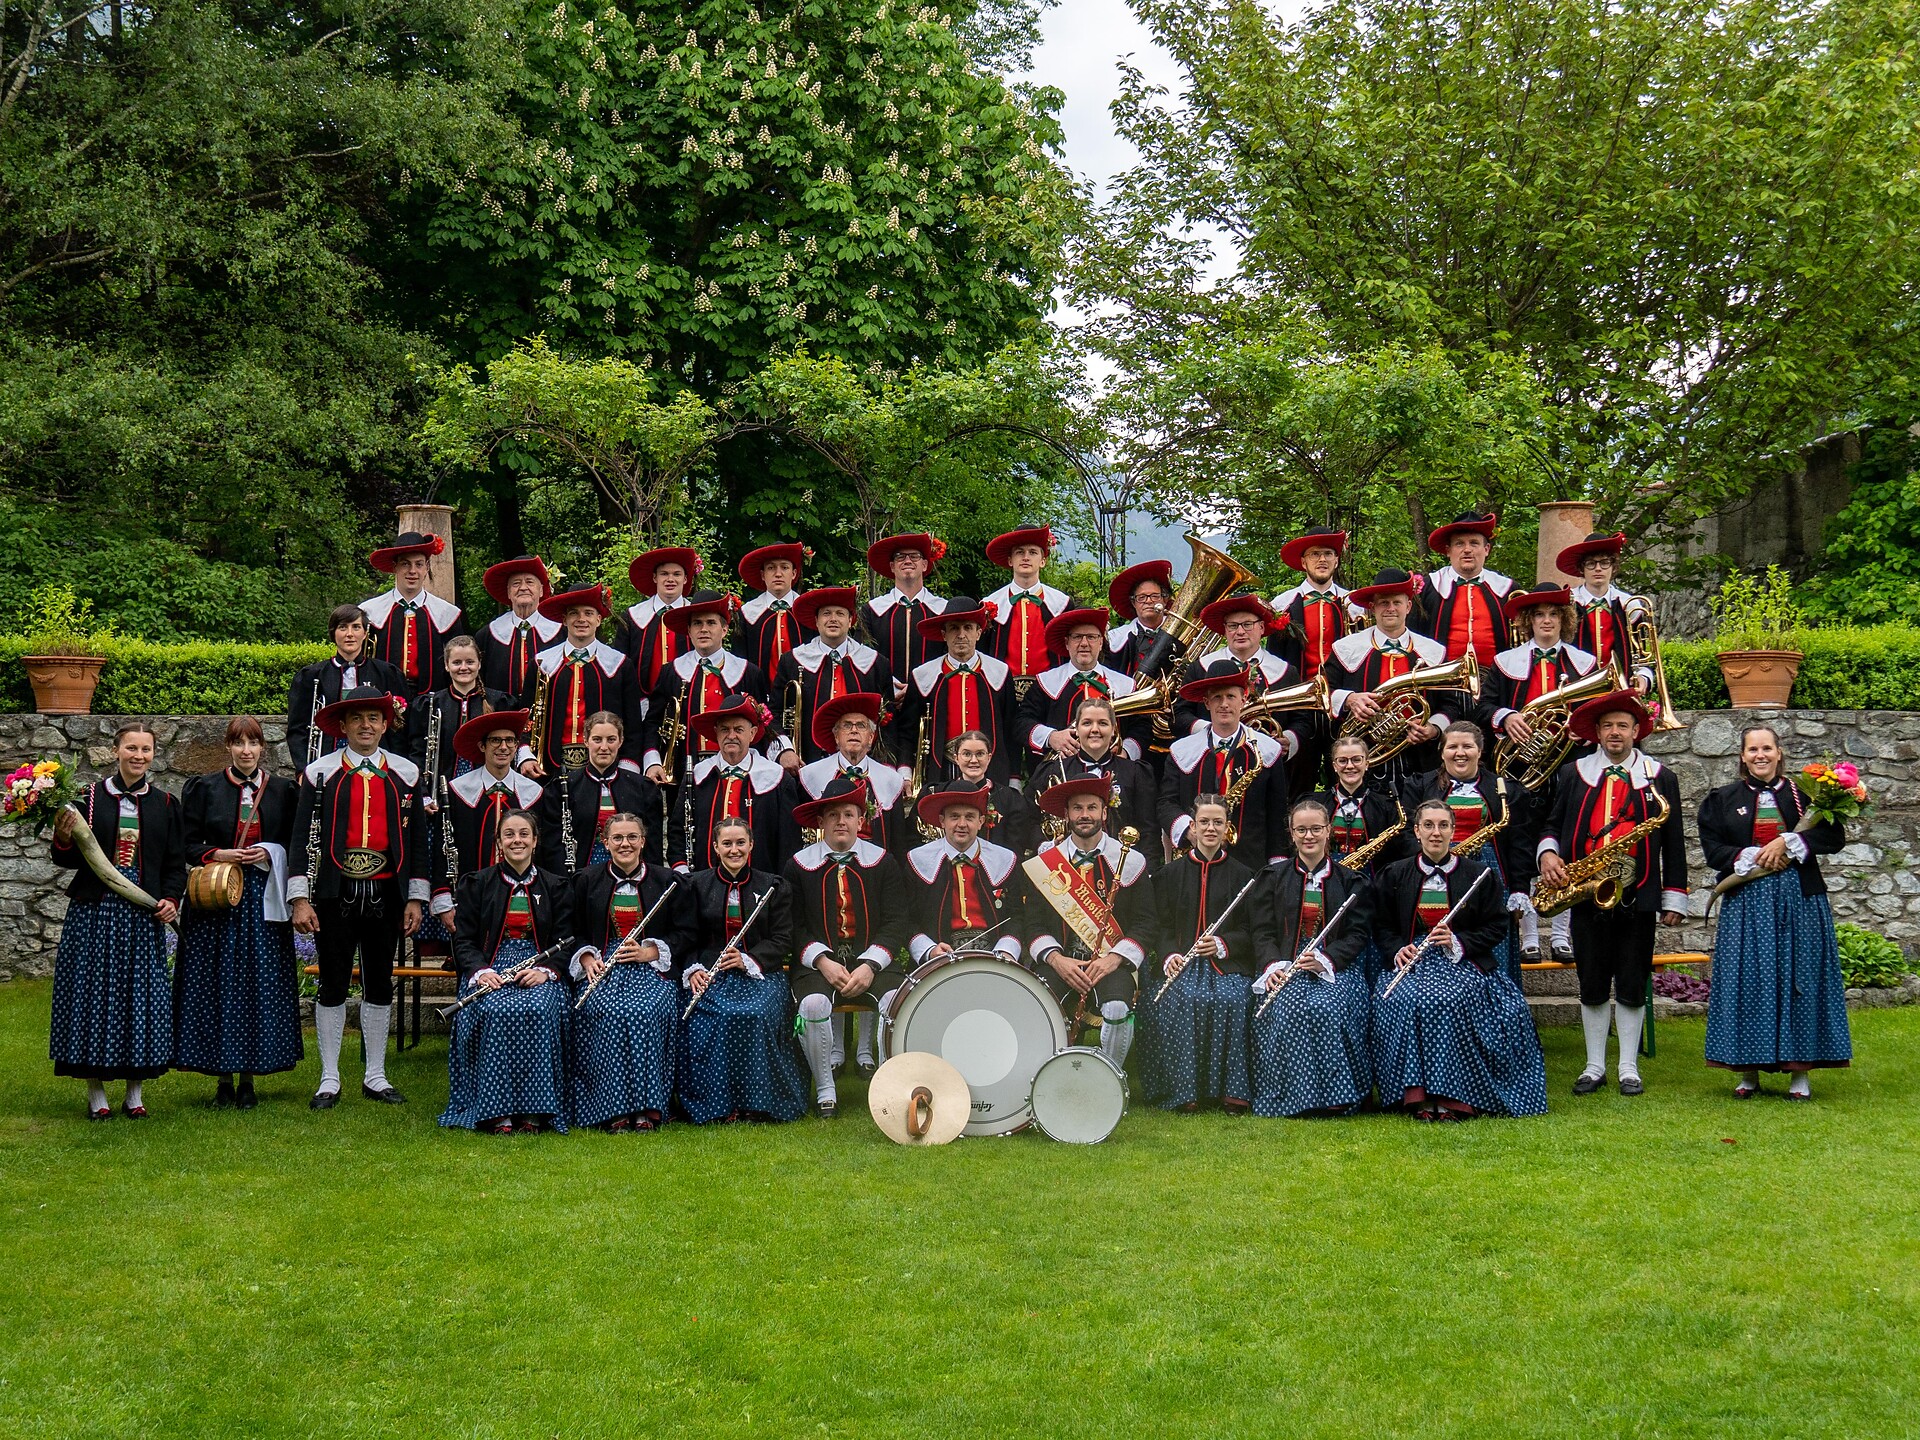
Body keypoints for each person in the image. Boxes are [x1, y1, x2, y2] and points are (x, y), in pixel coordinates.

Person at [1535, 690, 1688, 1097]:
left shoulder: (1661, 777)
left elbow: (1674, 842)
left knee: (1633, 979)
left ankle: (1628, 1067)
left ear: (1637, 731)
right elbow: (1552, 823)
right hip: (1587, 893)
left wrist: (1674, 896)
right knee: (1592, 980)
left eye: (1623, 725)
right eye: (1608, 726)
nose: (1615, 732)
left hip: (1637, 895)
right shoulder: (1574, 773)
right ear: (1597, 733)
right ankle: (1593, 1064)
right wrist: (1549, 853)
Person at [288, 685, 426, 1110]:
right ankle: (329, 1077)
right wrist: (300, 897)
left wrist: (415, 897)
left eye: (374, 719)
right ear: (343, 726)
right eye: (357, 719)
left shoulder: (406, 773)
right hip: (335, 891)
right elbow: (300, 840)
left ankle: (375, 1075)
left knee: (380, 981)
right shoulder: (320, 773)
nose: (366, 726)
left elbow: (419, 840)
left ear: (386, 725)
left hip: (386, 892)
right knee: (331, 980)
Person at [1699, 725, 1852, 1098]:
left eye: (1767, 748)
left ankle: (1800, 1073)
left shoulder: (1808, 796)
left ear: (1779, 753)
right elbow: (1713, 849)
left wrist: (1789, 840)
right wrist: (1749, 856)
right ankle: (1748, 1071)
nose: (1760, 755)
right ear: (1742, 756)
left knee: (1801, 979)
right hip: (1747, 902)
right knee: (1749, 980)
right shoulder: (1722, 798)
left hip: (1800, 898)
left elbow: (1834, 838)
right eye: (1753, 750)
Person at [1369, 799, 1548, 1120]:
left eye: (1443, 825)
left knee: (1452, 999)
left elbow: (1497, 926)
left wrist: (1458, 941)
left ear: (1454, 831)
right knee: (1406, 997)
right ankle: (1419, 1095)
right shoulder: (1394, 874)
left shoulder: (1480, 875)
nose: (1435, 833)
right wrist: (1398, 947)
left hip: (1463, 960)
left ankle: (1455, 1096)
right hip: (1413, 960)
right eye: (1428, 825)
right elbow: (1381, 925)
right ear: (1417, 831)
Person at [49, 722, 187, 1120]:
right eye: (131, 748)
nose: (138, 756)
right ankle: (96, 1093)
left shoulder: (165, 804)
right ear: (115, 751)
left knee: (138, 999)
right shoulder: (86, 799)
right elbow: (65, 858)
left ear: (153, 754)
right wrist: (61, 838)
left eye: (146, 749)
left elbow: (176, 863)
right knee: (93, 996)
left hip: (142, 913)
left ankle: (134, 1094)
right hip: (95, 910)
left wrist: (170, 899)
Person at [173, 716, 302, 1108]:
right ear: (228, 747)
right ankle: (222, 1080)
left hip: (263, 899)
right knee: (216, 984)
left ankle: (249, 1079)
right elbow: (186, 844)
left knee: (257, 983)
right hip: (216, 900)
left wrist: (269, 851)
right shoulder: (203, 789)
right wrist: (218, 854)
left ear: (264, 748)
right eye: (239, 743)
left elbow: (296, 844)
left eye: (253, 743)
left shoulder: (283, 791)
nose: (246, 750)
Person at [1482, 583, 1600, 961]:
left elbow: (1595, 711)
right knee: (1522, 844)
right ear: (1527, 621)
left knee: (1566, 844)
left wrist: (1581, 730)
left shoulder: (1583, 663)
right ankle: (1530, 933)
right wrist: (1507, 716)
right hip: (1519, 770)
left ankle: (1561, 934)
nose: (1546, 621)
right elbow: (1483, 708)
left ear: (1564, 620)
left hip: (1567, 767)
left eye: (1553, 614)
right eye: (1539, 615)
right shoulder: (1505, 661)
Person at [440, 809, 573, 1134]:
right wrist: (480, 972)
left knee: (539, 1007)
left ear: (535, 841)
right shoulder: (478, 883)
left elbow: (568, 940)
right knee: (494, 1009)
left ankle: (534, 1110)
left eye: (524, 834)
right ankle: (496, 1110)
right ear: (499, 842)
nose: (517, 840)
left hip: (538, 967)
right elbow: (465, 941)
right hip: (491, 968)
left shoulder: (554, 886)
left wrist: (547, 972)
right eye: (510, 834)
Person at [786, 779, 910, 1117]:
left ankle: (888, 1086)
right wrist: (822, 961)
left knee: (895, 1002)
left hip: (871, 961)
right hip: (818, 964)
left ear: (860, 821)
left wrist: (871, 964)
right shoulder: (799, 865)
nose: (841, 821)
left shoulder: (883, 862)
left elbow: (897, 921)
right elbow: (792, 925)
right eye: (833, 815)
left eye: (849, 814)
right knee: (812, 1005)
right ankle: (826, 1089)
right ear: (821, 822)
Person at [678, 816, 808, 1124]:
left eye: (740, 843)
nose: (734, 850)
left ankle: (760, 1101)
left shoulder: (774, 886)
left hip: (762, 972)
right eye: (727, 844)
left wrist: (749, 959)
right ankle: (718, 1104)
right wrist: (694, 968)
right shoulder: (696, 885)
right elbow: (686, 935)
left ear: (751, 845)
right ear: (715, 848)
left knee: (755, 1013)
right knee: (718, 1015)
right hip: (713, 972)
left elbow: (782, 939)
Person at [1250, 798, 1374, 1118]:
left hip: (1334, 969)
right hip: (1286, 965)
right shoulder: (1272, 877)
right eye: (1301, 830)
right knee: (1289, 1006)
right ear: (1291, 834)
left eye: (1316, 829)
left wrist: (1327, 960)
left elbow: (1357, 935)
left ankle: (1336, 1095)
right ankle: (1294, 1095)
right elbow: (1262, 931)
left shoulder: (1351, 881)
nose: (1309, 836)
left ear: (1328, 830)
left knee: (1327, 1006)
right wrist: (1273, 965)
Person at [1141, 794, 1265, 1112]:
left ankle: (1232, 1091)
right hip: (1181, 964)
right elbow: (1161, 928)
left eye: (1218, 822)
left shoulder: (1246, 877)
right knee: (1179, 998)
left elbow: (1256, 930)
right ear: (1193, 828)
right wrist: (1169, 955)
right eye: (1204, 822)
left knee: (1234, 998)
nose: (1211, 828)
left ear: (1228, 829)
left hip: (1228, 965)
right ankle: (1184, 1092)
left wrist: (1225, 944)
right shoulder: (1168, 875)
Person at [569, 812, 687, 1131]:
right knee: (605, 1010)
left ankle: (647, 1107)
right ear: (605, 843)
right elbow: (571, 931)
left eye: (632, 837)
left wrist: (651, 951)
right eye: (618, 838)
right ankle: (611, 1106)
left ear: (643, 841)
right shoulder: (586, 880)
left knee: (648, 1010)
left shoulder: (667, 881)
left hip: (651, 968)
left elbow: (685, 932)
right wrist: (585, 958)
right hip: (604, 967)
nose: (625, 844)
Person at [1024, 776, 1152, 1069]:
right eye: (1077, 808)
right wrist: (1056, 960)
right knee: (1036, 1001)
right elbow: (1032, 923)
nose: (1085, 815)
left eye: (1092, 807)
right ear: (1066, 815)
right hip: (1061, 961)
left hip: (1110, 963)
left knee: (1118, 1007)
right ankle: (1044, 1075)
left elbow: (1146, 923)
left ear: (1104, 813)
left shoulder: (1130, 861)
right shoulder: (1048, 862)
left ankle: (1107, 1079)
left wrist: (1115, 959)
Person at [1400, 721, 1525, 981]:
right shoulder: (1421, 784)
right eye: (1452, 746)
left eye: (1468, 746)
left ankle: (1493, 1001)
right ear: (1442, 751)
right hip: (1436, 871)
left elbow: (1518, 841)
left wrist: (1519, 889)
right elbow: (1405, 832)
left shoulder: (1503, 787)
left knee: (1488, 939)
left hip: (1489, 875)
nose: (1460, 753)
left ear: (1480, 751)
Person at [1324, 568, 1452, 784]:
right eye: (1384, 603)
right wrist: (1349, 699)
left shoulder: (1433, 651)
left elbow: (1450, 704)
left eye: (1397, 602)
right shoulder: (1346, 648)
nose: (1391, 608)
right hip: (1362, 758)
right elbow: (1324, 691)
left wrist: (1433, 729)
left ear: (1408, 606)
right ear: (1372, 608)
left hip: (1419, 757)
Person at [1160, 660, 1289, 872]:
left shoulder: (1268, 750)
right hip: (1193, 858)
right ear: (1206, 702)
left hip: (1250, 863)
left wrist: (1277, 867)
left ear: (1244, 699)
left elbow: (1277, 815)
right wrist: (1189, 831)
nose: (1224, 704)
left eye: (1231, 696)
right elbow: (1166, 803)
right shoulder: (1181, 751)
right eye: (1217, 697)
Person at [642, 590, 781, 780]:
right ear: (689, 631)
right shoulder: (671, 672)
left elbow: (762, 725)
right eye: (697, 623)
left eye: (711, 623)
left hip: (740, 771)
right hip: (683, 770)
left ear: (724, 630)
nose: (704, 629)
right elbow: (653, 722)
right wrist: (653, 761)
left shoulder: (748, 672)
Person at [1269, 527, 1365, 794]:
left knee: (1348, 772)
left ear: (1336, 560)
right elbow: (1275, 661)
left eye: (1328, 554)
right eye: (1314, 555)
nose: (1321, 560)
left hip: (1343, 701)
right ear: (1303, 562)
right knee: (1298, 775)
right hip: (1301, 702)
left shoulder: (1353, 605)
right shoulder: (1282, 605)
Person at [428, 710, 544, 929]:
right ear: (482, 746)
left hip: (522, 899)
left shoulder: (533, 793)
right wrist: (443, 896)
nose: (503, 747)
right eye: (495, 740)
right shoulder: (457, 791)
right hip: (470, 901)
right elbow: (442, 848)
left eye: (510, 740)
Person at [667, 693, 799, 872]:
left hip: (761, 885)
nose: (731, 736)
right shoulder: (697, 776)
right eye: (724, 729)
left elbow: (789, 842)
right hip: (704, 883)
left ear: (752, 733)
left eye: (738, 729)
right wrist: (682, 870)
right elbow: (677, 831)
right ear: (716, 733)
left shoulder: (778, 779)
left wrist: (779, 887)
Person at [892, 597, 1015, 787]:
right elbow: (908, 732)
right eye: (954, 628)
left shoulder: (999, 672)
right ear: (944, 635)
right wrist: (905, 772)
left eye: (968, 627)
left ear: (979, 633)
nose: (961, 634)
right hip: (942, 768)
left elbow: (1010, 729)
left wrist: (1014, 778)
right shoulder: (923, 675)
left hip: (991, 770)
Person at [526, 584, 645, 779]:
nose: (581, 619)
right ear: (564, 620)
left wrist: (627, 767)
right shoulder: (541, 664)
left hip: (608, 768)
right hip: (549, 768)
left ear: (598, 619)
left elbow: (632, 724)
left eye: (588, 613)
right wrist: (526, 756)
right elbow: (527, 718)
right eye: (574, 613)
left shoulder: (620, 665)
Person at [1026, 697, 1158, 866]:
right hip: (1063, 870)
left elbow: (1148, 830)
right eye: (1087, 723)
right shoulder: (1052, 770)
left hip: (1120, 869)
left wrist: (1147, 872)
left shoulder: (1135, 773)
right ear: (1077, 729)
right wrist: (1046, 846)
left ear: (1113, 730)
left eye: (1102, 723)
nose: (1095, 729)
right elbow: (1028, 819)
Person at [773, 585, 895, 766]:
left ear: (850, 620)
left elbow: (890, 721)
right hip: (807, 760)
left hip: (863, 762)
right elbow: (774, 712)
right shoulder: (792, 661)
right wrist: (785, 750)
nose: (833, 619)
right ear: (816, 620)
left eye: (840, 613)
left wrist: (886, 763)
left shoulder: (876, 664)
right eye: (826, 613)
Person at [902, 785, 1025, 966]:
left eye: (969, 817)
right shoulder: (918, 860)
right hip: (939, 958)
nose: (962, 824)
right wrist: (929, 950)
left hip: (996, 956)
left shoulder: (1005, 859)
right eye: (954, 817)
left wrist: (1006, 950)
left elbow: (1017, 916)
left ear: (981, 821)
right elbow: (906, 919)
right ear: (942, 821)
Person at [1017, 607, 1149, 767]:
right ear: (1067, 643)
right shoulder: (1046, 682)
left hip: (1114, 770)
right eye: (1077, 637)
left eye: (1091, 637)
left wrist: (1126, 752)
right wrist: (1051, 737)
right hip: (1061, 771)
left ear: (1101, 642)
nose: (1084, 643)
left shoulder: (1124, 684)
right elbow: (1021, 721)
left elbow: (1142, 726)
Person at [1170, 594, 1303, 752]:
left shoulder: (1286, 671)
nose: (1240, 632)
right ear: (1225, 629)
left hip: (1268, 760)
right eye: (1233, 626)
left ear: (1261, 627)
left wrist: (1289, 739)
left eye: (1247, 624)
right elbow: (1179, 715)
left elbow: (1302, 719)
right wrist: (1212, 731)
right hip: (1211, 759)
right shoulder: (1199, 668)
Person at [285, 604, 407, 768]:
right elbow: (297, 729)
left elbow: (399, 729)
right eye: (343, 627)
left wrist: (396, 768)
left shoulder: (387, 674)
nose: (350, 634)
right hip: (326, 762)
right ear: (333, 633)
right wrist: (303, 771)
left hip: (379, 763)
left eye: (356, 627)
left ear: (365, 633)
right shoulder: (311, 676)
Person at [535, 711, 655, 873]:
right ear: (585, 741)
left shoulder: (642, 787)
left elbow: (653, 847)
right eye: (597, 740)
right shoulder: (562, 787)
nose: (604, 747)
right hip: (580, 878)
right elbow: (552, 846)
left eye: (611, 740)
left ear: (621, 741)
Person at [359, 529, 468, 698]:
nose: (412, 571)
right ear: (394, 567)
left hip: (432, 698)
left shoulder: (447, 614)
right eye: (405, 564)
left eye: (419, 564)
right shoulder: (370, 611)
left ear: (427, 568)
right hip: (381, 697)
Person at [797, 694, 910, 854]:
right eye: (847, 725)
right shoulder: (811, 775)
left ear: (871, 738)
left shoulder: (891, 780)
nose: (854, 731)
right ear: (836, 737)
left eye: (861, 726)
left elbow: (897, 841)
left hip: (875, 863)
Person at [1556, 530, 1655, 693]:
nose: (1598, 569)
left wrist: (1643, 677)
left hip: (1619, 690)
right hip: (1576, 690)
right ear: (1582, 568)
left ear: (1613, 566)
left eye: (1604, 563)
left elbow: (1642, 655)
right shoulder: (1567, 603)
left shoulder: (1629, 604)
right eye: (1591, 564)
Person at [405, 635, 512, 783]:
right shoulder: (429, 704)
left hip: (486, 787)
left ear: (479, 664)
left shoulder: (500, 702)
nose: (463, 667)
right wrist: (423, 792)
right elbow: (418, 753)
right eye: (456, 662)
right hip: (442, 790)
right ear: (447, 665)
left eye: (470, 662)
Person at [1414, 510, 1513, 667]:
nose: (1467, 550)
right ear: (1448, 551)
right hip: (1440, 684)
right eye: (1459, 543)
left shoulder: (1508, 589)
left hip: (1495, 684)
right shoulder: (1429, 587)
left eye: (1474, 543)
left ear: (1486, 549)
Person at [982, 524, 1070, 683]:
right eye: (1019, 552)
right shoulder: (990, 604)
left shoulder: (1061, 604)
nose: (1026, 557)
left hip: (1048, 688)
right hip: (1003, 688)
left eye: (1033, 552)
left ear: (1043, 561)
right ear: (1010, 560)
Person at [860, 532, 948, 687]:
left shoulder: (942, 610)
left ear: (925, 565)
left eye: (914, 556)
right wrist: (891, 685)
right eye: (900, 557)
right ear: (892, 566)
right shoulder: (872, 611)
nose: (908, 560)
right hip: (884, 697)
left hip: (931, 695)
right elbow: (863, 657)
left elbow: (950, 656)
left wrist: (917, 687)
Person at [474, 554, 561, 708]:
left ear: (541, 590)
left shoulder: (561, 632)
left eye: (529, 582)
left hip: (550, 713)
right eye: (516, 583)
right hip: (501, 715)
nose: (523, 587)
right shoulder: (487, 635)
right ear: (508, 593)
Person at [938, 732, 1041, 857]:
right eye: (966, 754)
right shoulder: (939, 794)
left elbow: (1016, 847)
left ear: (989, 757)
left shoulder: (1010, 799)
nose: (974, 760)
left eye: (980, 754)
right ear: (956, 758)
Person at [619, 545, 701, 697]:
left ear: (685, 579)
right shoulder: (633, 616)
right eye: (664, 574)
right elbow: (621, 664)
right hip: (642, 700)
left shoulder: (696, 615)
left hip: (687, 699)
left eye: (677, 574)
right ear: (655, 577)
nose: (670, 579)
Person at [734, 542, 814, 678]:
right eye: (771, 568)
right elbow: (738, 662)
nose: (778, 574)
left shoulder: (807, 611)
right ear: (763, 575)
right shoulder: (747, 614)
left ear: (794, 573)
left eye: (784, 567)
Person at [1103, 559, 1174, 678]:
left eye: (1155, 596)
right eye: (1141, 597)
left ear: (1165, 600)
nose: (1148, 601)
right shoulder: (1116, 638)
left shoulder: (1181, 632)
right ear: (1133, 602)